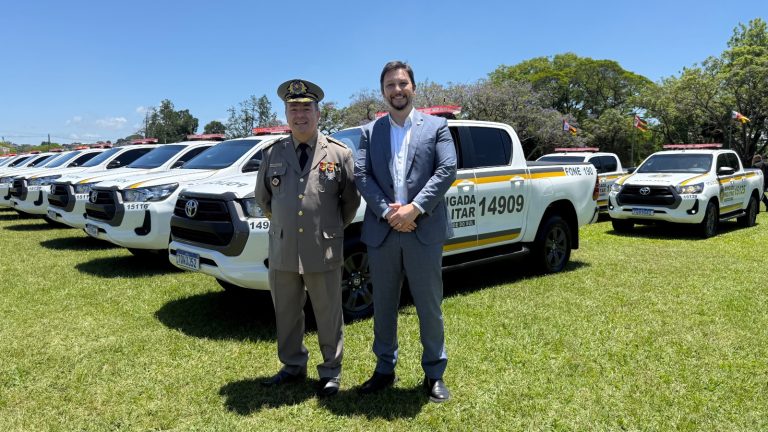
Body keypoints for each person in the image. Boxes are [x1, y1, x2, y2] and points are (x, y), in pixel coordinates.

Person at [354, 61, 457, 403]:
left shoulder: (437, 127)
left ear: (413, 86)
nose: (396, 90)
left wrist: (414, 208)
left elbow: (447, 168)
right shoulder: (370, 132)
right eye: (390, 85)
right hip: (383, 231)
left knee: (429, 305)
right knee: (383, 305)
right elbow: (362, 175)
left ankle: (435, 373)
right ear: (382, 91)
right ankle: (384, 368)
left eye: (402, 83)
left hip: (422, 229)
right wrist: (388, 212)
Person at [255, 79, 360, 397]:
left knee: (328, 313)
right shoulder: (272, 153)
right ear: (286, 114)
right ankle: (292, 365)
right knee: (286, 312)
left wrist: (328, 229)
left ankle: (331, 371)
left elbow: (350, 202)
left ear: (318, 113)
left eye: (306, 108)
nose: (299, 115)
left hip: (322, 247)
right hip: (284, 247)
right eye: (293, 109)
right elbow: (264, 199)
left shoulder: (339, 153)